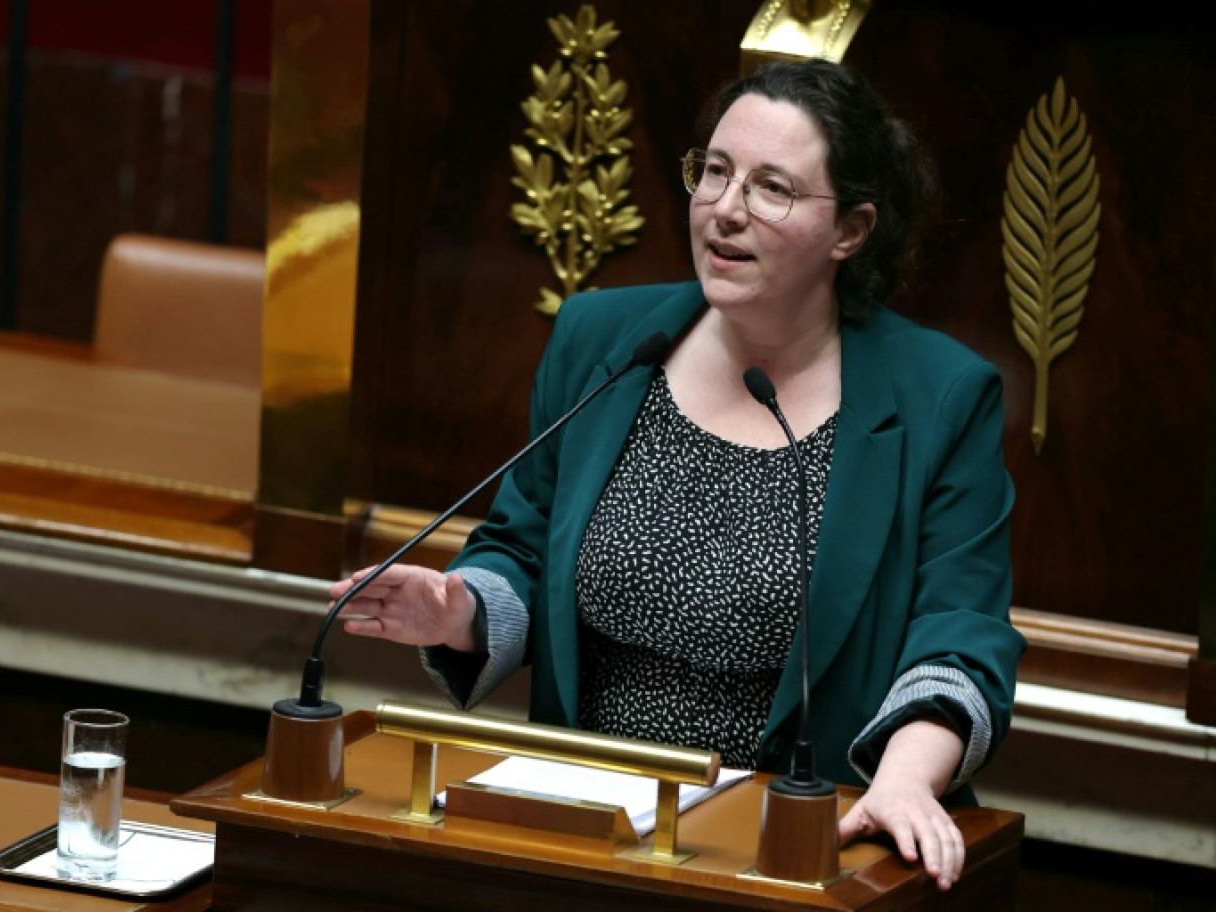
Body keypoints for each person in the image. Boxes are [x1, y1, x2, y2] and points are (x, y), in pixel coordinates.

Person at [332, 59, 1024, 892]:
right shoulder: (604, 341)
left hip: (801, 844)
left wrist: (906, 778)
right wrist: (458, 608)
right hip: (589, 836)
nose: (726, 210)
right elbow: (521, 548)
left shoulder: (937, 398)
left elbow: (961, 633)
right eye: (717, 173)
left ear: (850, 230)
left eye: (773, 189)